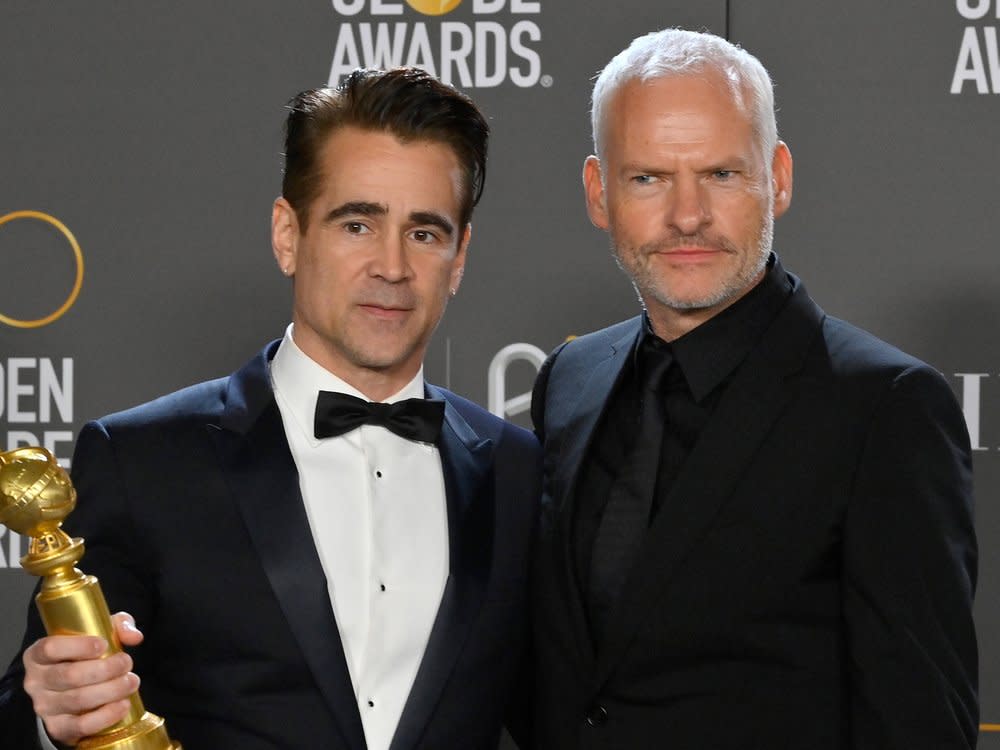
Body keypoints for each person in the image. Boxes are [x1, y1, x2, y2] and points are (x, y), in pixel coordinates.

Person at [0, 67, 540, 750]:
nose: (393, 266)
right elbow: (31, 707)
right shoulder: (143, 462)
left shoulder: (517, 472)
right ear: (288, 235)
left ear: (458, 259)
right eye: (357, 224)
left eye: (425, 233)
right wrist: (52, 713)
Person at [529, 28, 977, 749]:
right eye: (648, 177)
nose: (686, 216)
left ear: (779, 176)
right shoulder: (570, 382)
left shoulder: (883, 409)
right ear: (598, 192)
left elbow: (918, 725)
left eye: (721, 175)